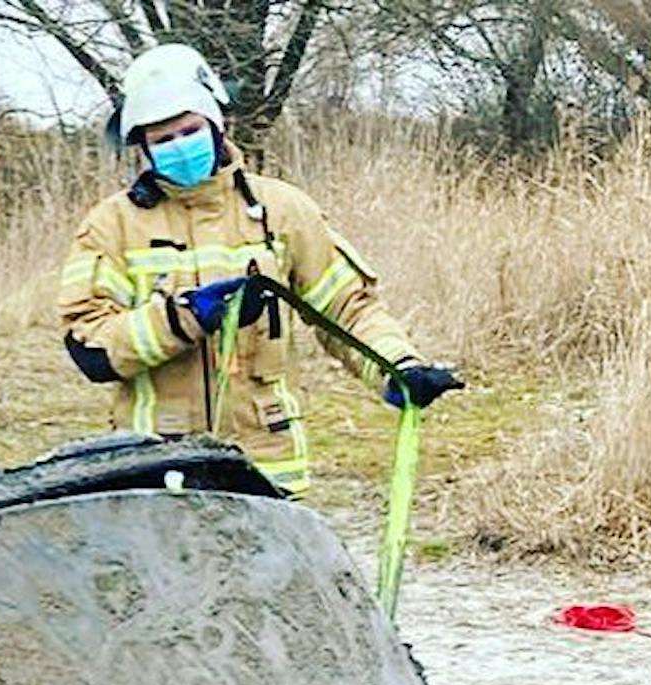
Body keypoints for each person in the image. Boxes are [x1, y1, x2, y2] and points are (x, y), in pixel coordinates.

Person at [58, 44, 461, 496]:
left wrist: (397, 367)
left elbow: (348, 307)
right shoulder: (111, 225)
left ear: (216, 124)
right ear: (143, 147)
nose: (180, 147)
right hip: (155, 471)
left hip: (267, 468)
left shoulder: (283, 210)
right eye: (163, 140)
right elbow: (91, 348)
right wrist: (183, 317)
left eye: (190, 131)